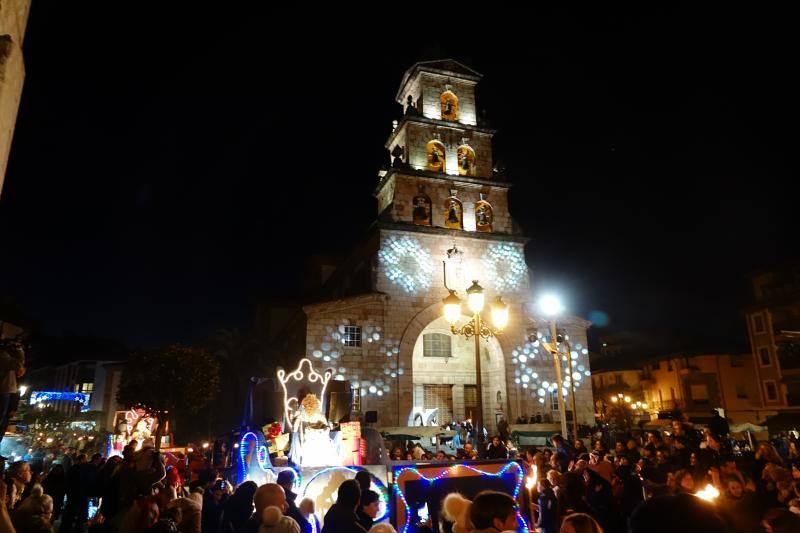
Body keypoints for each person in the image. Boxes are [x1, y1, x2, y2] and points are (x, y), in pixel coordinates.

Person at [0, 333, 24, 456]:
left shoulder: (6, 355)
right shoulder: (3, 356)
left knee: (4, 419)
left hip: (8, 390)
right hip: (4, 390)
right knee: (2, 419)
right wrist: (19, 350)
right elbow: (19, 366)